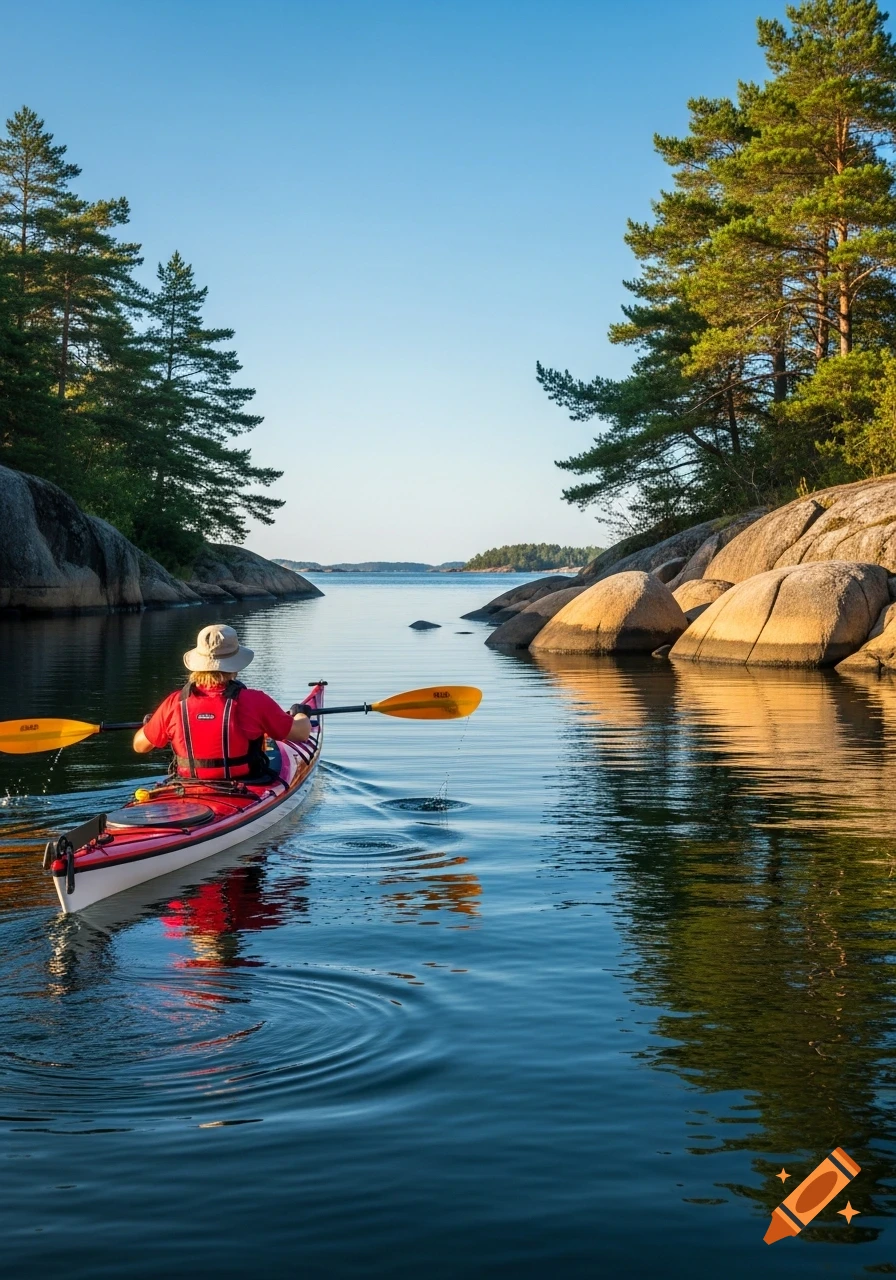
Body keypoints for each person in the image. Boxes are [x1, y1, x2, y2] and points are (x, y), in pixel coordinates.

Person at [133, 623, 312, 781]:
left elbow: (139, 746)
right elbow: (301, 734)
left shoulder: (175, 702)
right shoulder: (255, 700)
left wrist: (151, 724)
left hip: (189, 785)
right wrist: (301, 713)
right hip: (246, 783)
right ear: (236, 665)